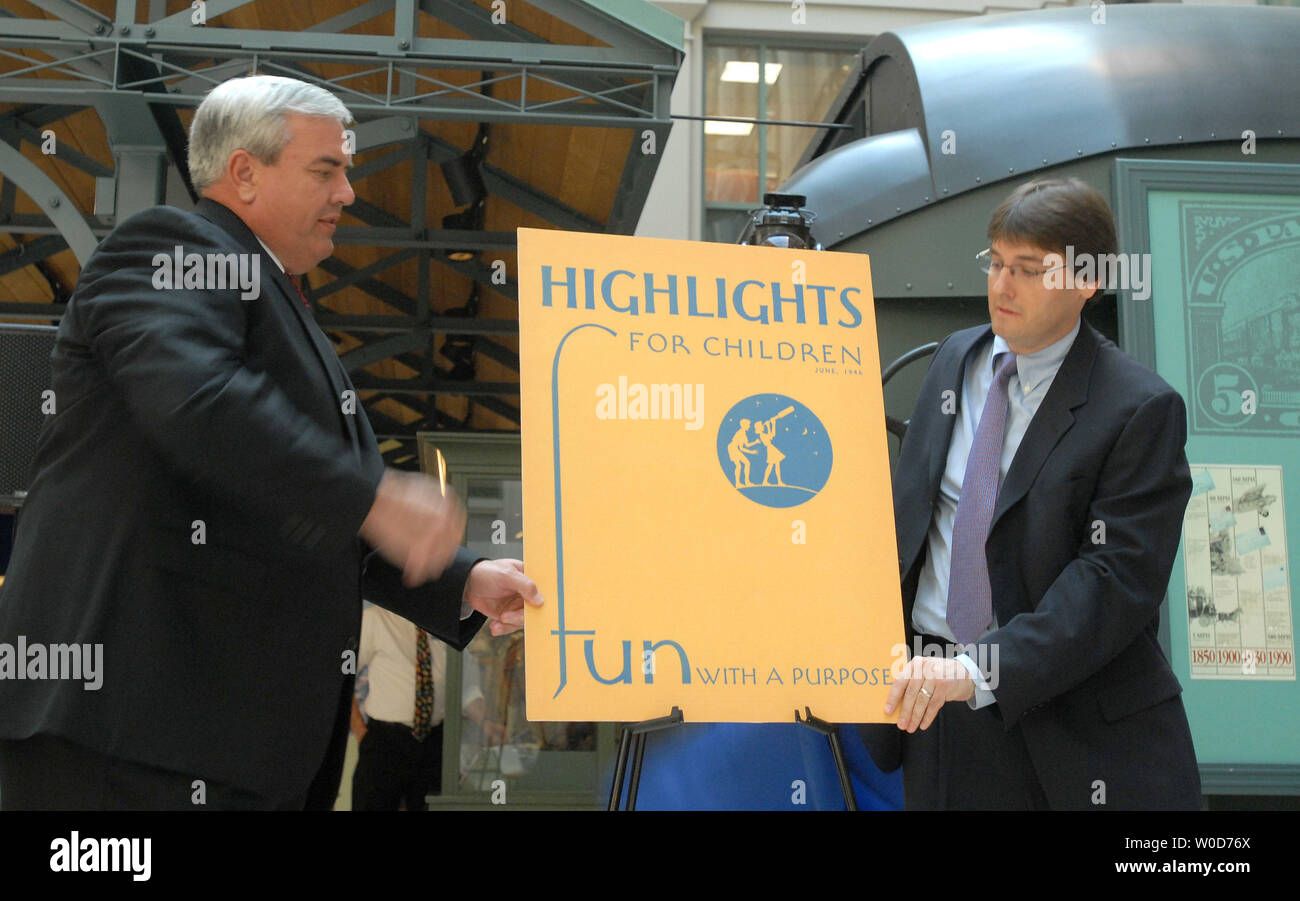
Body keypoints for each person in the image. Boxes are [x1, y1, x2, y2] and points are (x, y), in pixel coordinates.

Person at [0, 75, 542, 810]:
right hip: (135, 736)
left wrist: (459, 577)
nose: (348, 192)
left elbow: (289, 501)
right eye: (327, 169)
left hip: (222, 746)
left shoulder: (279, 298)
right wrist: (374, 495)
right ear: (243, 172)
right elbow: (198, 404)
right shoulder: (171, 246)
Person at [860, 177, 1200, 810]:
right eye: (995, 261)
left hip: (1067, 731)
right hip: (932, 716)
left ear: (1090, 280)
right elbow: (910, 522)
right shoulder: (954, 360)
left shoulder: (1140, 409)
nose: (1001, 285)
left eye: (1029, 269)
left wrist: (976, 671)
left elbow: (1112, 583)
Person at [349, 603, 504, 810]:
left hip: (434, 742)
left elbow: (465, 688)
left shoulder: (448, 624)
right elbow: (342, 679)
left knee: (433, 805)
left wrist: (486, 723)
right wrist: (360, 731)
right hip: (385, 743)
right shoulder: (376, 619)